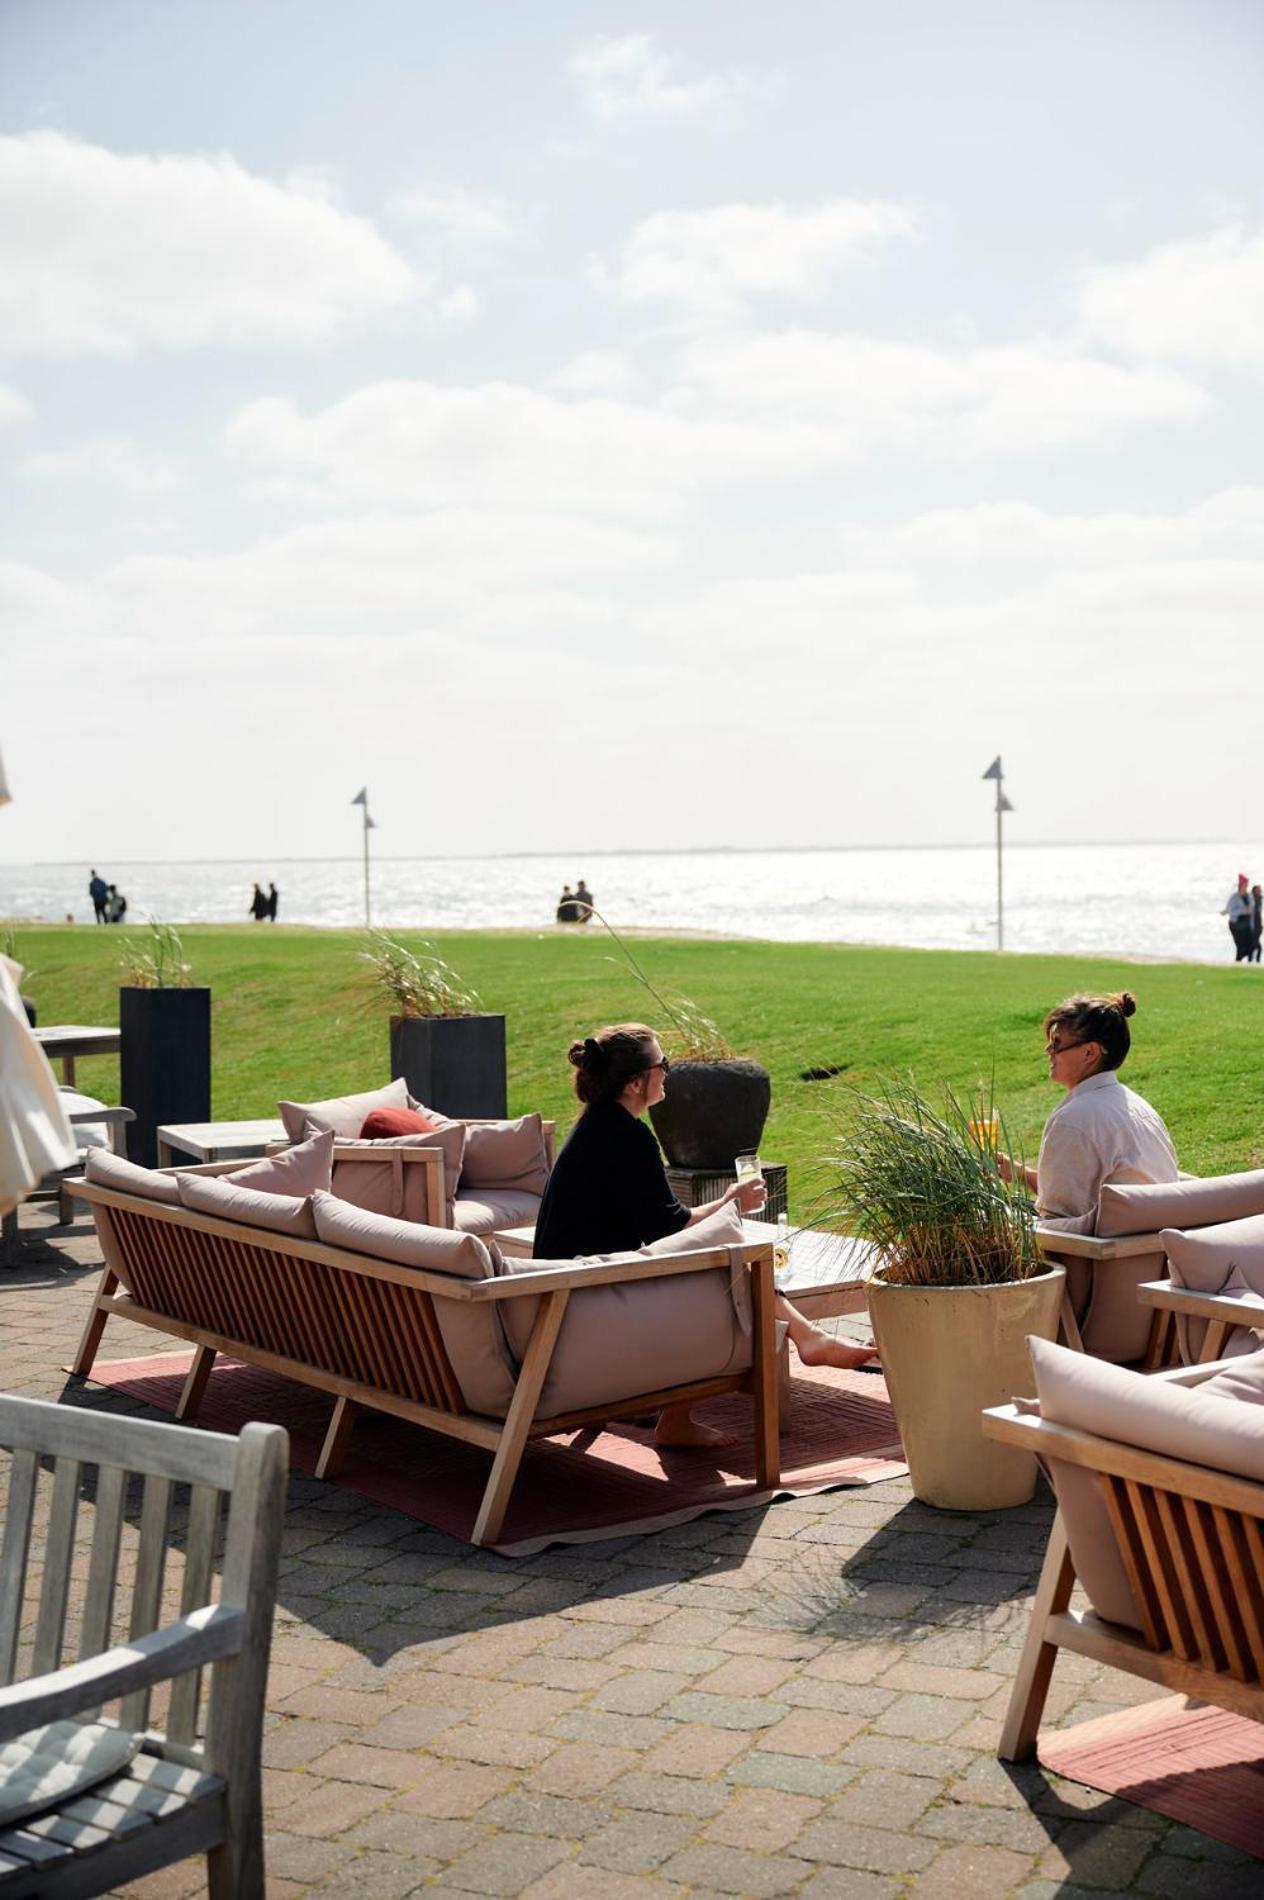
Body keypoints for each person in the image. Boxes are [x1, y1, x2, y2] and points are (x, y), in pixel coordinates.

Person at [533, 1022, 878, 1447]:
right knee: (726, 1281)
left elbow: (658, 1226)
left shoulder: (598, 1127)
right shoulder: (627, 1137)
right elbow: (674, 1228)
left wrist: (727, 1209)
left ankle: (807, 1338)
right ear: (636, 1082)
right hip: (589, 1301)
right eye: (664, 1064)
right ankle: (805, 1340)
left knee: (725, 1259)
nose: (668, 1072)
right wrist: (731, 1201)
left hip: (567, 1291)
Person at [1003, 991, 1178, 1232]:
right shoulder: (1141, 1109)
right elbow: (1075, 1197)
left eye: (1057, 1044)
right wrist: (1019, 1173)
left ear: (1090, 1052)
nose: (1048, 1051)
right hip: (1150, 1252)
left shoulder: (1074, 1119)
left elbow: (1056, 1218)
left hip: (1090, 1258)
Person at [1223, 875, 1253, 961]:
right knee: (1240, 947)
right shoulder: (1234, 897)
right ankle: (1238, 963)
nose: (1246, 887)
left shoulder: (1249, 896)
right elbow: (1229, 911)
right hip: (1236, 925)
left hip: (1247, 925)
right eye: (1245, 885)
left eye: (1247, 885)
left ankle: (1249, 965)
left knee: (1250, 946)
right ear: (1240, 886)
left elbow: (1252, 907)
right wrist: (1243, 911)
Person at [1251, 885, 1263, 965]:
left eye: (1260, 890)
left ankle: (1253, 961)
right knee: (1256, 945)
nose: (1260, 891)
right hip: (1253, 924)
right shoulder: (1251, 899)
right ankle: (1254, 961)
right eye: (1258, 890)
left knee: (1254, 944)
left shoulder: (1260, 898)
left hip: (1259, 925)